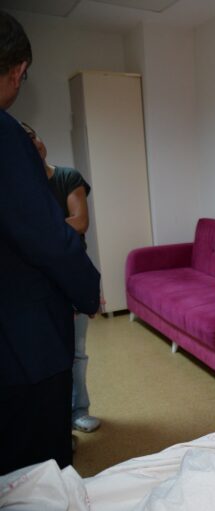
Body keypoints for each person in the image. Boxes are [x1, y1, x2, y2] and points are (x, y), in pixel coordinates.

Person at [0, 11, 101, 475]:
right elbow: (49, 239)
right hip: (23, 341)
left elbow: (76, 222)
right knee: (38, 475)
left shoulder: (67, 176)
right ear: (18, 69)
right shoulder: (6, 137)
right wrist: (88, 290)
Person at [21, 122, 101, 434]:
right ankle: (54, 422)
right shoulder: (20, 187)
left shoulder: (68, 177)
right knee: (45, 355)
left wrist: (36, 232)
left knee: (77, 352)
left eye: (34, 136)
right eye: (25, 141)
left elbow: (80, 222)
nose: (33, 144)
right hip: (36, 281)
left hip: (70, 274)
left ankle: (79, 411)